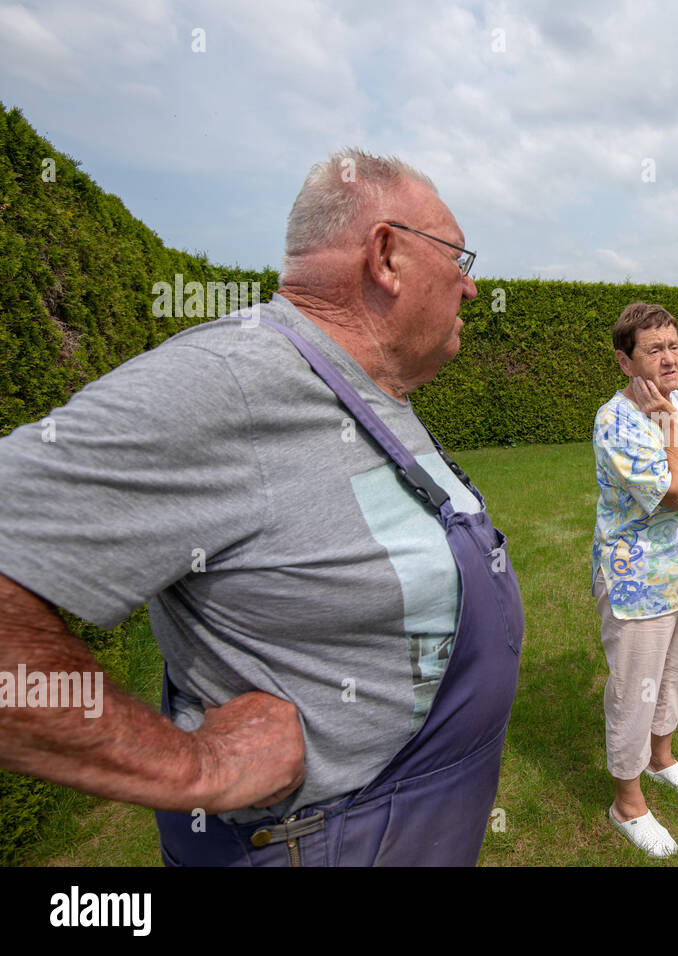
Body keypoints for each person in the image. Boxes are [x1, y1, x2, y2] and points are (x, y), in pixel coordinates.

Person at [0, 149, 524, 866]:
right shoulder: (230, 382)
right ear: (387, 256)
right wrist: (193, 768)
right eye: (457, 257)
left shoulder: (367, 390)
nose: (470, 288)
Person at [591, 302, 678, 858]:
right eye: (654, 349)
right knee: (634, 693)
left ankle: (662, 757)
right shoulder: (615, 421)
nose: (669, 358)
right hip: (639, 583)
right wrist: (668, 427)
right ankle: (627, 804)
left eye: (673, 345)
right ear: (625, 362)